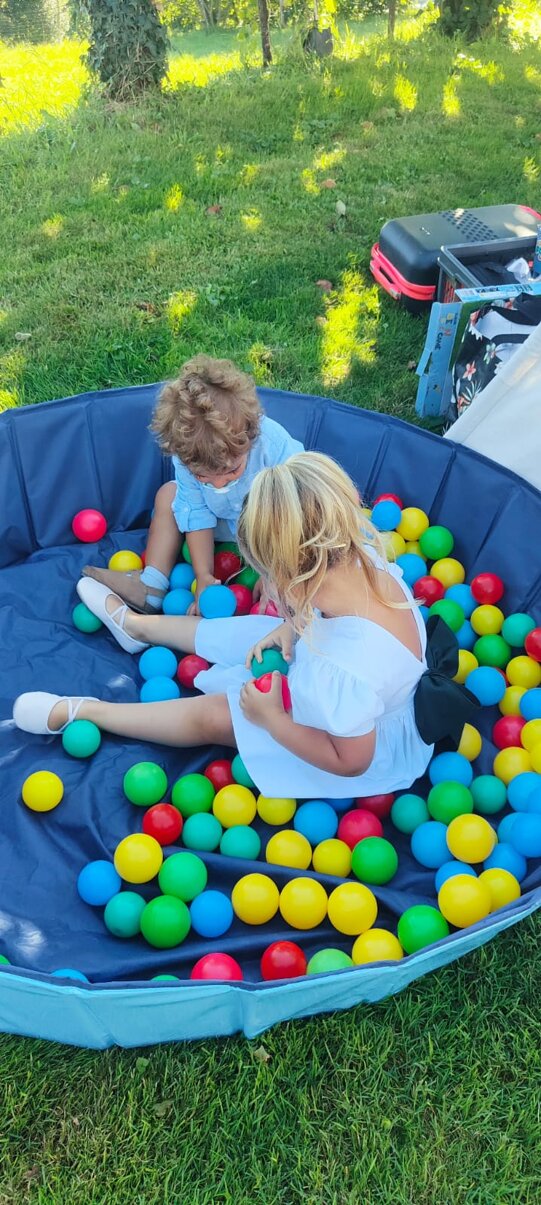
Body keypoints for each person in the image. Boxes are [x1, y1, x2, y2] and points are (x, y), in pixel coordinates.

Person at [13, 453, 439, 799]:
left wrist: (272, 720)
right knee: (256, 632)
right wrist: (289, 627)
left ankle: (89, 711)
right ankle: (138, 627)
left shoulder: (347, 669)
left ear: (291, 575)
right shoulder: (360, 561)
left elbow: (351, 761)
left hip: (357, 746)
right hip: (350, 687)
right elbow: (324, 625)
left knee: (222, 714)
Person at [82, 355, 304, 615]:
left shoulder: (273, 446)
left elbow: (294, 512)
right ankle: (151, 586)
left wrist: (274, 573)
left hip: (270, 525)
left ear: (250, 434)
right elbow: (197, 513)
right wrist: (204, 577)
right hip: (224, 522)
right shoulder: (188, 455)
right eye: (204, 477)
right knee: (169, 494)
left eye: (233, 470)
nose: (219, 484)